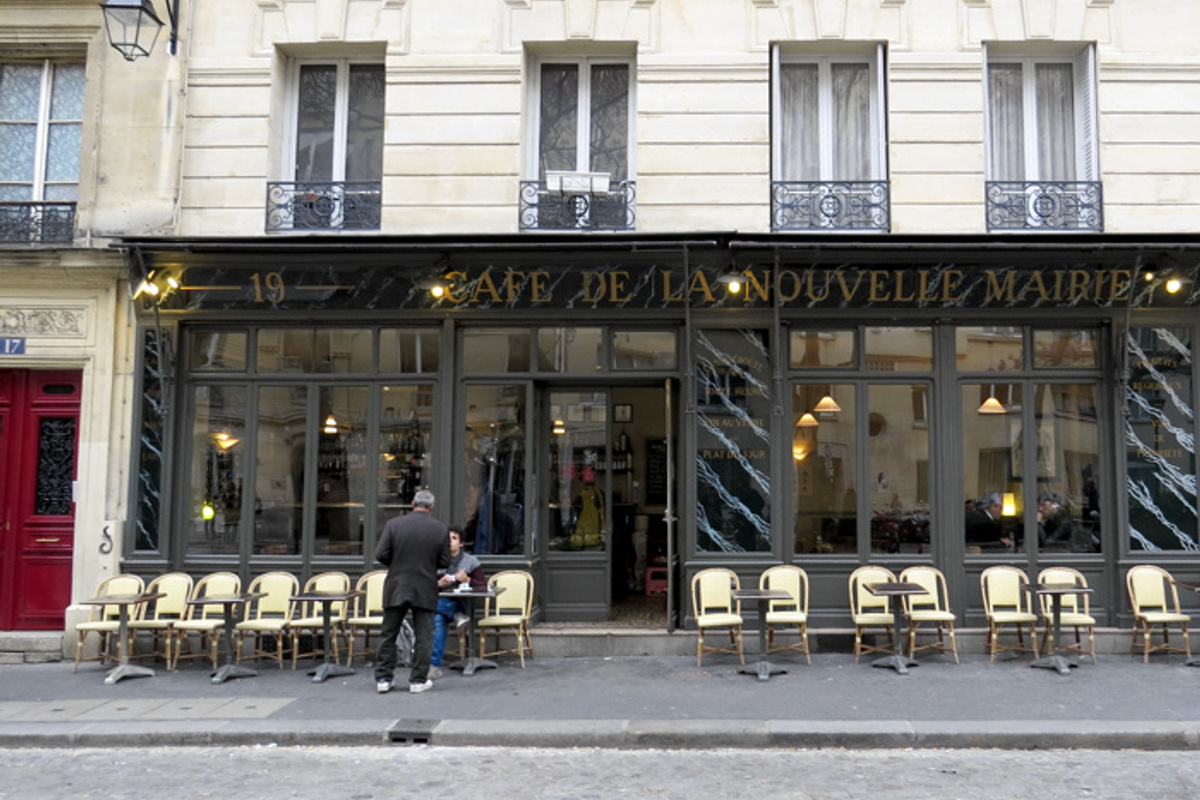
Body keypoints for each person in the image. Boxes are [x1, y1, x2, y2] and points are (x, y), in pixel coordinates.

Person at [373, 489, 450, 695]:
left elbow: (380, 553)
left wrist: (397, 563)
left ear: (412, 503)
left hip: (396, 584)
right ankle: (418, 680)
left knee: (388, 633)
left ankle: (383, 678)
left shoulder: (394, 525)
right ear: (431, 507)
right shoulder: (440, 529)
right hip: (424, 586)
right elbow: (445, 561)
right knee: (424, 635)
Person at [429, 524, 486, 678]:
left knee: (440, 611)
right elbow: (425, 585)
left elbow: (482, 586)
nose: (450, 542)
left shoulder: (471, 561)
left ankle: (434, 666)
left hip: (462, 603)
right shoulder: (435, 560)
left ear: (461, 543)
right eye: (447, 539)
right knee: (438, 621)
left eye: (454, 539)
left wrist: (467, 579)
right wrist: (439, 584)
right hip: (441, 603)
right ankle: (434, 665)